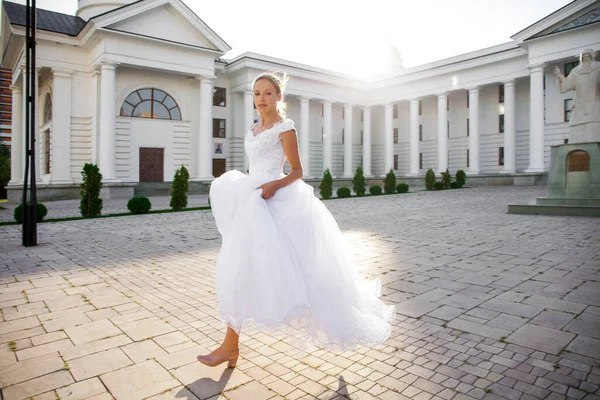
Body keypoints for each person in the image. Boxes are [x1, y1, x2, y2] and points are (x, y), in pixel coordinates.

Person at [196, 72, 395, 369]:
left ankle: (341, 320)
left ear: (279, 97)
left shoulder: (285, 128)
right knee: (239, 270)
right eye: (257, 93)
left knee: (304, 275)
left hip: (277, 201)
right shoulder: (252, 130)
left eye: (267, 93)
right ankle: (230, 345)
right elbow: (256, 167)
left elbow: (297, 171)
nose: (261, 98)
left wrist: (274, 185)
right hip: (252, 200)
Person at [554, 48, 600, 143]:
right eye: (584, 57)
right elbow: (567, 85)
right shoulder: (576, 71)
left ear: (592, 57)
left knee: (593, 131)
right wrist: (560, 77)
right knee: (576, 132)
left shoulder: (598, 68)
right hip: (579, 106)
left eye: (588, 56)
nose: (586, 59)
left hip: (595, 104)